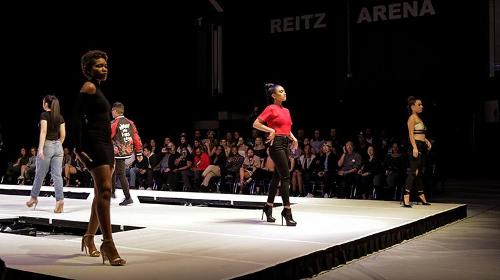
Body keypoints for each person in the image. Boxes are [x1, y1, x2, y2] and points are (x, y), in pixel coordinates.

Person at [74, 50, 126, 265]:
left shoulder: (100, 90)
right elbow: (77, 119)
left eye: (105, 65)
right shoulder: (89, 87)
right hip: (93, 144)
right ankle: (108, 242)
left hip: (105, 145)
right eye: (98, 65)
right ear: (88, 69)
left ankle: (88, 237)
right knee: (104, 190)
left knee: (101, 192)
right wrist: (78, 150)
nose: (103, 68)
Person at [253, 83, 298, 226]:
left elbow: (286, 128)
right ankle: (287, 210)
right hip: (276, 144)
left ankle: (268, 206)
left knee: (277, 176)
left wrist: (294, 138)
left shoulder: (287, 110)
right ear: (273, 95)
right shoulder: (270, 108)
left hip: (285, 142)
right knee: (286, 176)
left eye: (284, 91)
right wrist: (271, 131)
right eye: (281, 91)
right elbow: (256, 123)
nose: (284, 93)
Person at [25, 95, 65, 213]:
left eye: (43, 102)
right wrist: (57, 144)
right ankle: (59, 200)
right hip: (58, 147)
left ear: (46, 104)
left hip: (46, 146)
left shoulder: (44, 115)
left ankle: (33, 197)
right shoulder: (60, 117)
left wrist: (41, 149)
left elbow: (43, 132)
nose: (42, 103)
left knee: (40, 174)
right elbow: (63, 135)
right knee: (57, 175)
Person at [111, 102, 143, 205]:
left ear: (115, 111)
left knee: (118, 173)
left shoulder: (114, 122)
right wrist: (139, 152)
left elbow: (107, 136)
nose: (111, 113)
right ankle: (112, 192)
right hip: (128, 152)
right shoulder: (130, 122)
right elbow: (136, 138)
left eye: (112, 111)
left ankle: (127, 197)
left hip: (117, 151)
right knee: (114, 171)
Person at [403, 96, 432, 207]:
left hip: (421, 146)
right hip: (415, 146)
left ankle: (421, 195)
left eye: (421, 104)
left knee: (418, 173)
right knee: (413, 172)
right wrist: (414, 147)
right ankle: (406, 196)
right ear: (412, 106)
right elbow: (411, 134)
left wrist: (426, 140)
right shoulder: (412, 118)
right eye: (419, 104)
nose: (421, 106)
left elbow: (420, 133)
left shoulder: (419, 118)